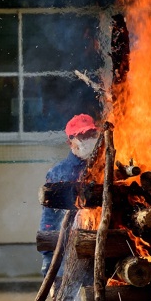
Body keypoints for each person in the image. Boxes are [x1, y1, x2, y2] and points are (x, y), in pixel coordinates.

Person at [38, 113, 99, 279]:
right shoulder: (58, 173)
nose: (88, 140)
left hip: (100, 245)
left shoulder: (104, 167)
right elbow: (49, 217)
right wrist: (48, 257)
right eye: (82, 136)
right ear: (70, 141)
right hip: (69, 249)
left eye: (91, 134)